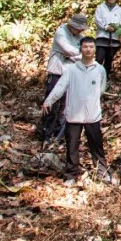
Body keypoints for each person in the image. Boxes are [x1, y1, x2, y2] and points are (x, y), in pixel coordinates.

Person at [42, 36, 112, 184]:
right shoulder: (72, 69)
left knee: (96, 146)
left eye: (91, 47)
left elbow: (101, 89)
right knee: (72, 147)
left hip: (93, 115)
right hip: (73, 115)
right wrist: (49, 100)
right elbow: (61, 86)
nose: (88, 49)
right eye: (85, 46)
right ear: (80, 48)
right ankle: (71, 175)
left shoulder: (100, 70)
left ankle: (102, 173)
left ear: (95, 49)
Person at [40, 13, 89, 147]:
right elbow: (68, 50)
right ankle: (46, 133)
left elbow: (86, 52)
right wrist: (78, 54)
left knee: (65, 105)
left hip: (70, 73)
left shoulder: (80, 37)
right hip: (57, 71)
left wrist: (78, 54)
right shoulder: (61, 32)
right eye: (78, 28)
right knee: (52, 102)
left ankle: (58, 133)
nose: (80, 31)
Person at [93, 0, 121, 81]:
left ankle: (105, 79)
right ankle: (95, 79)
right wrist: (106, 27)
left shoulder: (120, 10)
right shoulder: (100, 7)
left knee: (109, 60)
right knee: (99, 59)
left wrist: (116, 27)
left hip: (114, 39)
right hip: (102, 37)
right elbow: (97, 20)